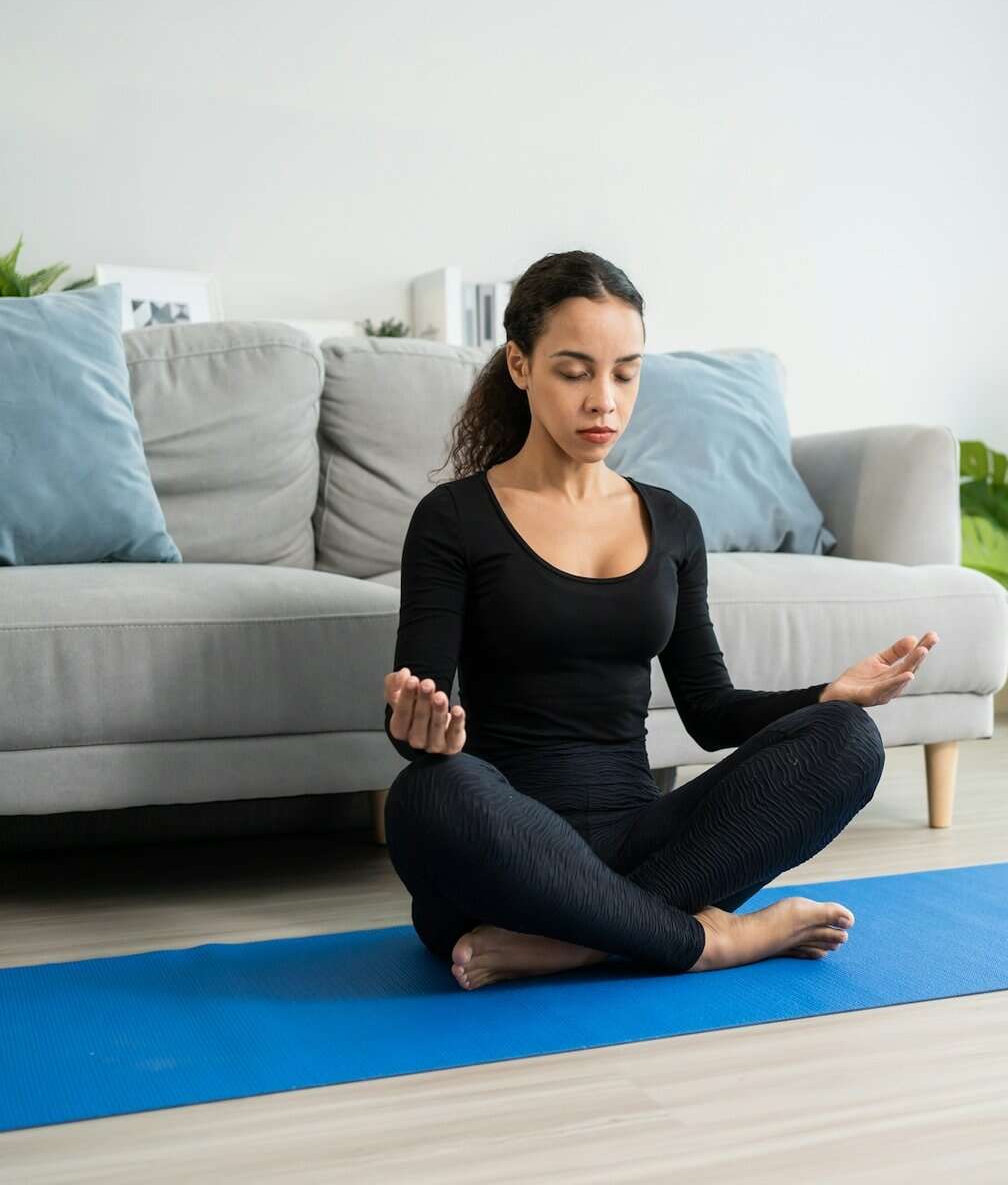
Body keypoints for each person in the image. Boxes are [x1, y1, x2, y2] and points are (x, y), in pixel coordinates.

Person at [381, 250, 940, 990]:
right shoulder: (453, 519)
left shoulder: (670, 523)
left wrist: (825, 699)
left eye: (625, 372)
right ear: (520, 366)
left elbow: (709, 711)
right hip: (508, 852)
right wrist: (422, 729)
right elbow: (413, 711)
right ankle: (704, 942)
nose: (603, 402)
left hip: (648, 847)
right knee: (427, 795)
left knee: (849, 742)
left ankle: (578, 943)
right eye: (574, 372)